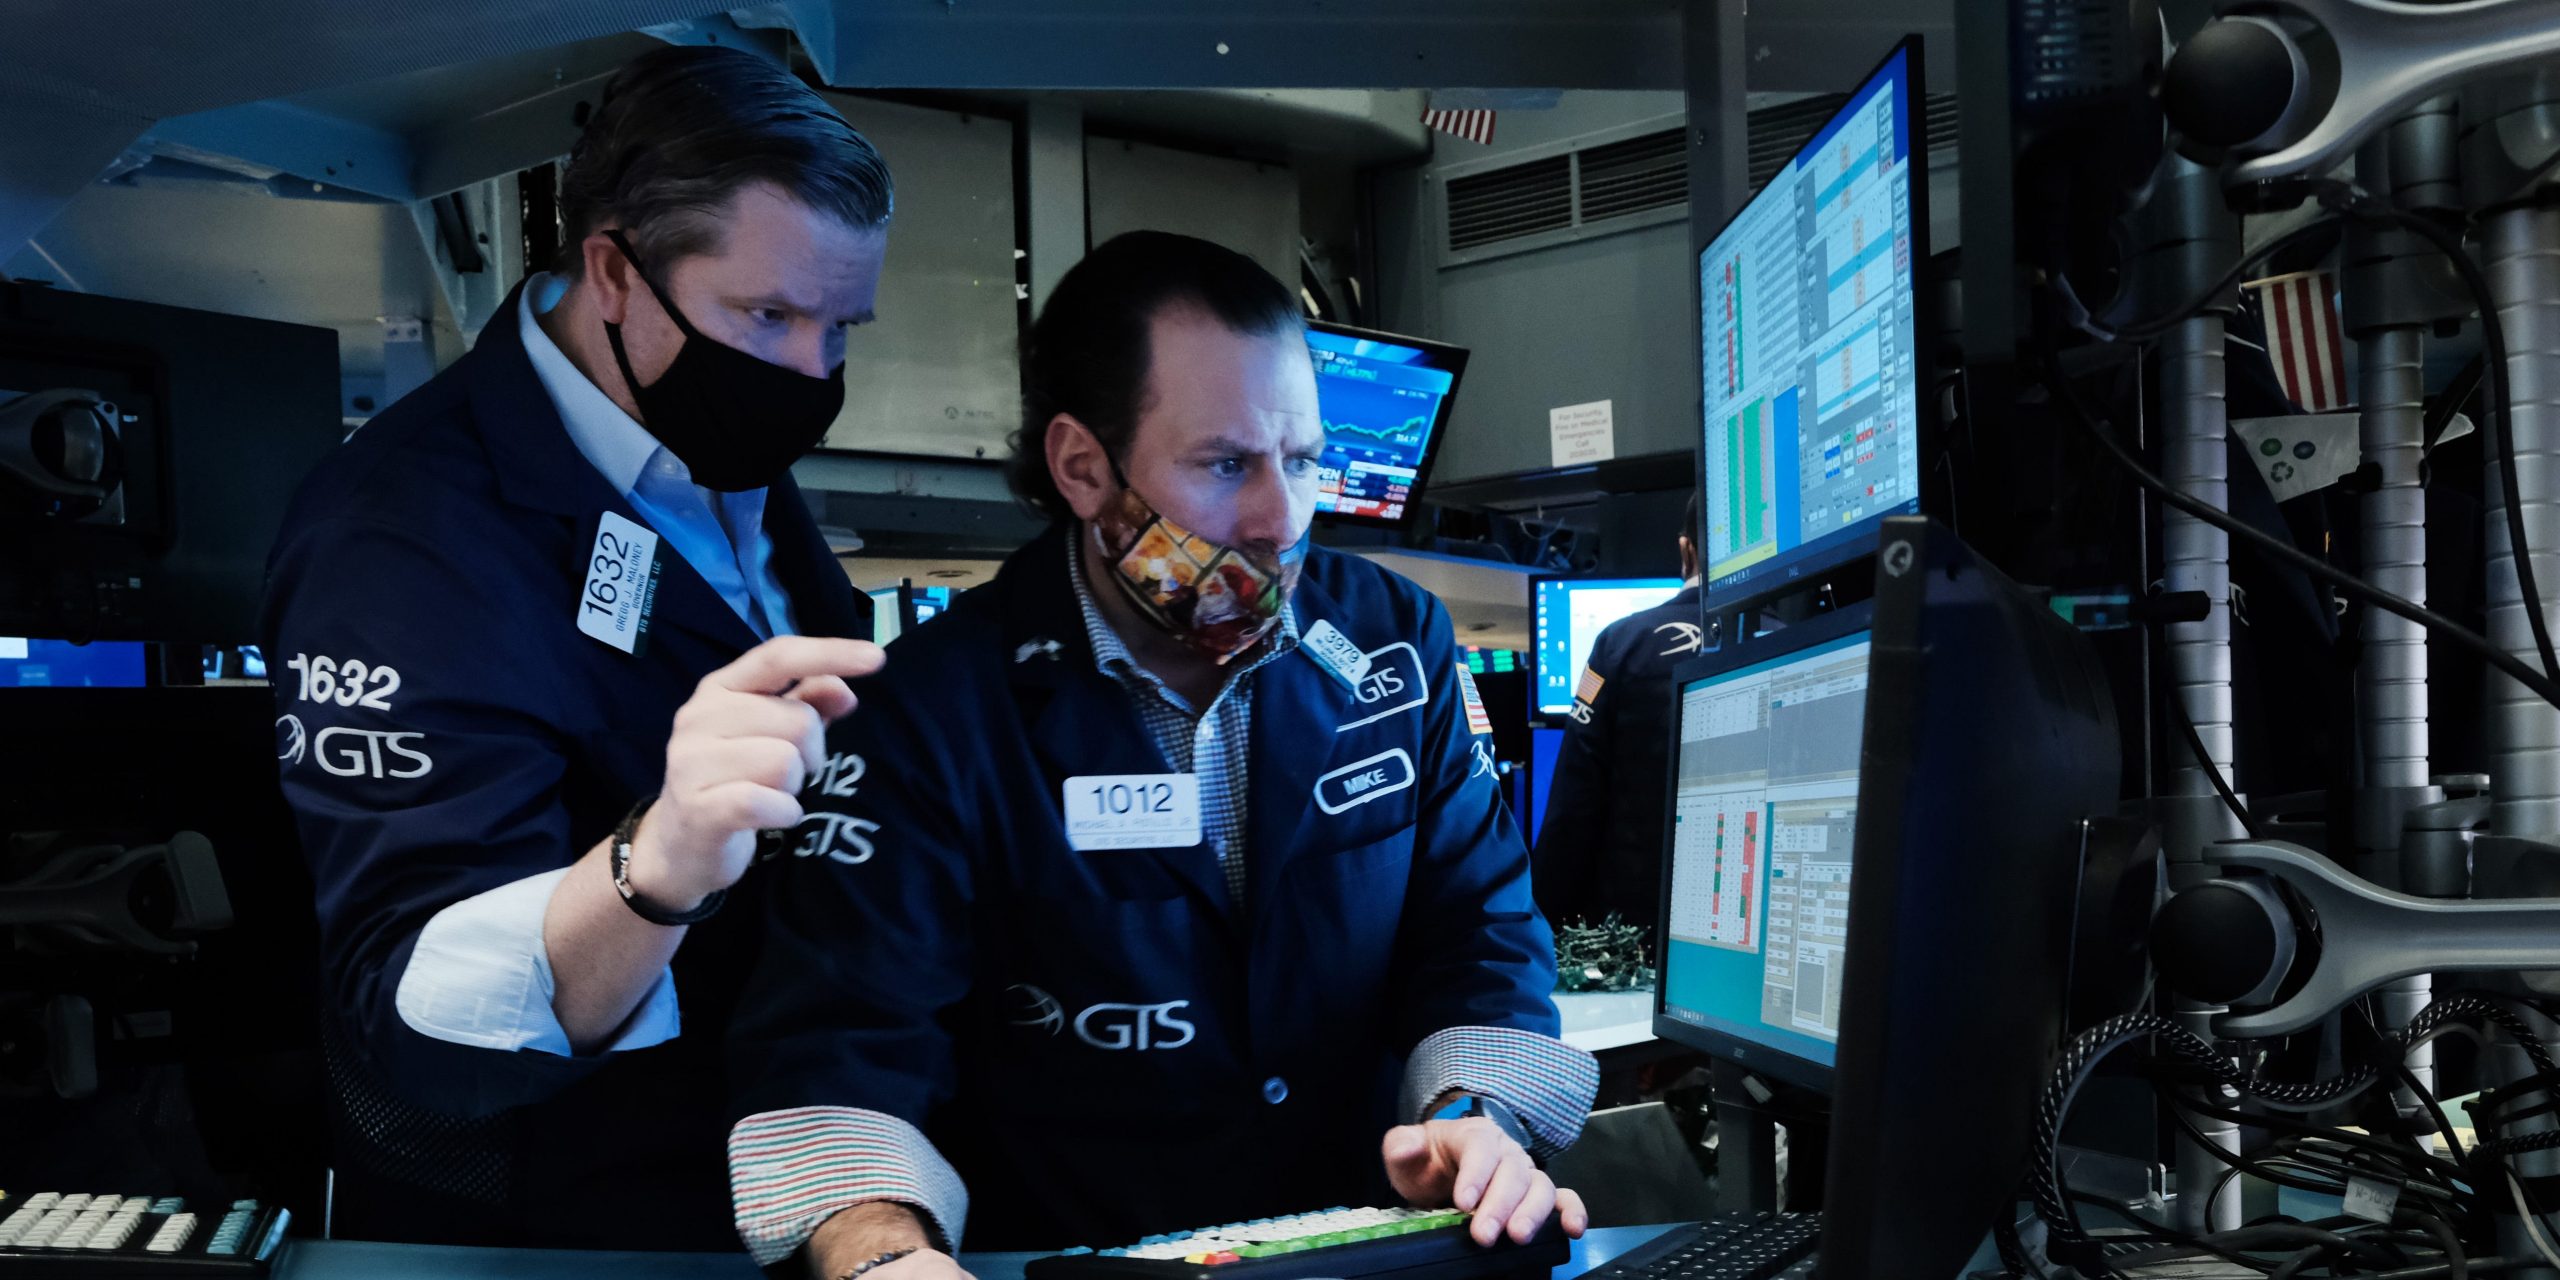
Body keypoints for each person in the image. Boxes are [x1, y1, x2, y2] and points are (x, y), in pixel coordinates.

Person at [724, 231, 1601, 1274]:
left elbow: (1479, 926)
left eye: (1305, 460)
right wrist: (879, 1250)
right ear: (1082, 467)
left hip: (1361, 1250)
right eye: (1225, 464)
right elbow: (842, 1043)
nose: (1283, 518)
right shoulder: (930, 707)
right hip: (1069, 1254)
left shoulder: (1392, 642)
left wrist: (1472, 1110)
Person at [261, 44, 893, 1249]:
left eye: (842, 328)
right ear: (611, 269)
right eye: (769, 316)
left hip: (787, 1169)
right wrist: (656, 863)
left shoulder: (715, 443)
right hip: (553, 1215)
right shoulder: (397, 533)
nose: (813, 374)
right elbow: (413, 1015)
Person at [1531, 493, 1707, 938]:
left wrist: (1542, 925)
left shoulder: (1618, 644)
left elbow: (1576, 798)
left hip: (1632, 933)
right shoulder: (1786, 640)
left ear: (1685, 549)